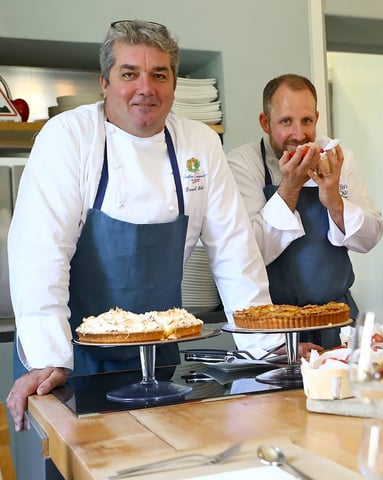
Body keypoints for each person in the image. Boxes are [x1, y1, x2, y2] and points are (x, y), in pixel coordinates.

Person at [5, 20, 273, 431]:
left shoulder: (199, 144)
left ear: (174, 85)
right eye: (129, 74)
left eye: (159, 75)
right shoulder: (69, 137)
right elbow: (40, 255)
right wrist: (48, 358)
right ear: (105, 83)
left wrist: (268, 351)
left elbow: (237, 256)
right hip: (72, 361)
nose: (145, 88)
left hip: (160, 361)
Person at [226, 74, 383, 348]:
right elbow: (249, 253)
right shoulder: (243, 164)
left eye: (306, 121)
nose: (299, 135)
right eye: (286, 122)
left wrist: (334, 201)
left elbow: (370, 237)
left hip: (337, 320)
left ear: (317, 118)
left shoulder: (337, 158)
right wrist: (289, 187)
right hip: (275, 325)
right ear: (265, 122)